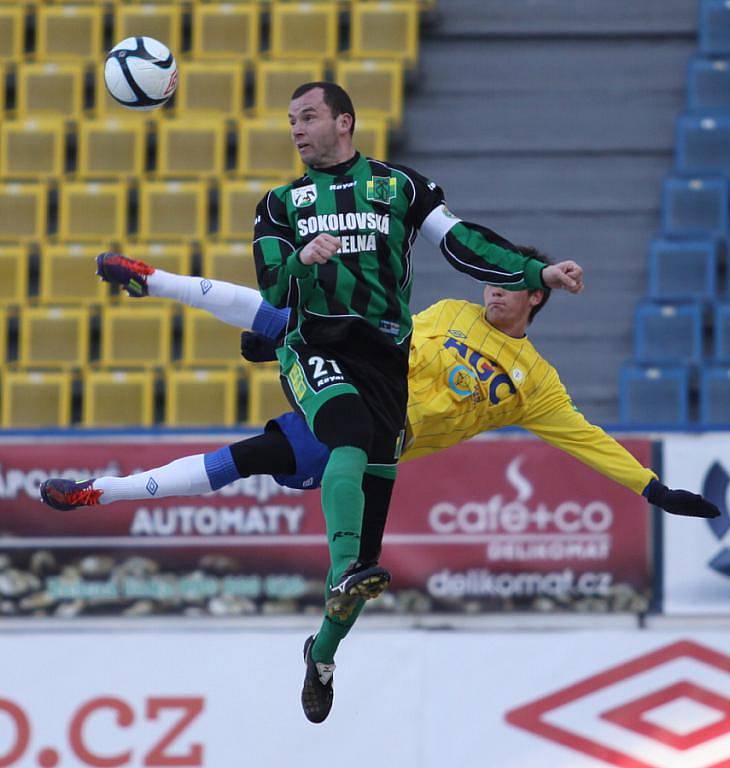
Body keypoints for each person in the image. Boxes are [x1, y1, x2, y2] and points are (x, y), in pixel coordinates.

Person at [41, 249, 720, 722]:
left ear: (535, 296)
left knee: (353, 582)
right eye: (492, 278)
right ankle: (145, 308)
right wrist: (307, 339)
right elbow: (391, 338)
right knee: (254, 428)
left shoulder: (534, 383)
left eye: (509, 282)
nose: (494, 288)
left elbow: (585, 438)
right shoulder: (453, 311)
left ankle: (322, 659)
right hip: (355, 400)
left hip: (382, 450)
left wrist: (653, 490)